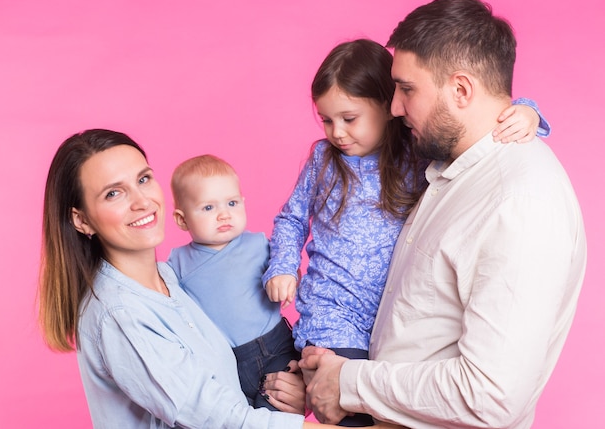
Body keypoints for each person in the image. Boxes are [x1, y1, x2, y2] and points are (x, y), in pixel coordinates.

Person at [299, 0, 587, 429]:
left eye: (408, 90)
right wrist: (332, 370)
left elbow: (489, 396)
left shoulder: (520, 202)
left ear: (461, 90)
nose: (394, 108)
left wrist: (350, 381)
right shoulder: (448, 173)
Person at [37, 128, 363, 428]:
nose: (141, 201)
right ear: (82, 221)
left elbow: (230, 389)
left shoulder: (172, 280)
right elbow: (213, 417)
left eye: (144, 179)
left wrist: (286, 392)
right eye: (113, 194)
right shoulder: (119, 313)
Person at [167, 154, 299, 412]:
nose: (224, 214)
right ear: (182, 220)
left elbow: (289, 272)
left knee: (275, 413)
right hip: (226, 363)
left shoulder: (259, 244)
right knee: (234, 417)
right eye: (208, 208)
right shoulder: (177, 263)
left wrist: (287, 278)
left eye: (232, 203)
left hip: (276, 349)